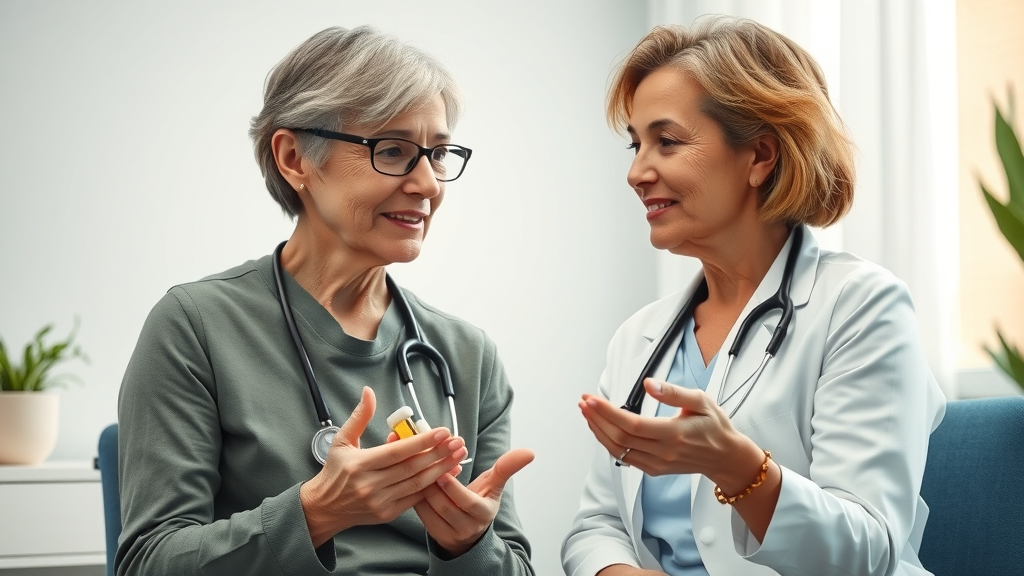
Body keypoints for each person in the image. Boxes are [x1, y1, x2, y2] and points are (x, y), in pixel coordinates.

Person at [117, 26, 534, 576]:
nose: (429, 183)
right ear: (295, 158)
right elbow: (149, 563)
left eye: (438, 154)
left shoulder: (466, 354)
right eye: (393, 151)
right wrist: (316, 513)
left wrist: (467, 546)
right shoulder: (196, 327)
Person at [561, 16, 945, 576]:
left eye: (666, 141)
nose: (637, 172)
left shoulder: (861, 307)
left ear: (760, 156)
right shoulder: (640, 337)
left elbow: (869, 552)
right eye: (636, 144)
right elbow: (597, 525)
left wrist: (740, 469)